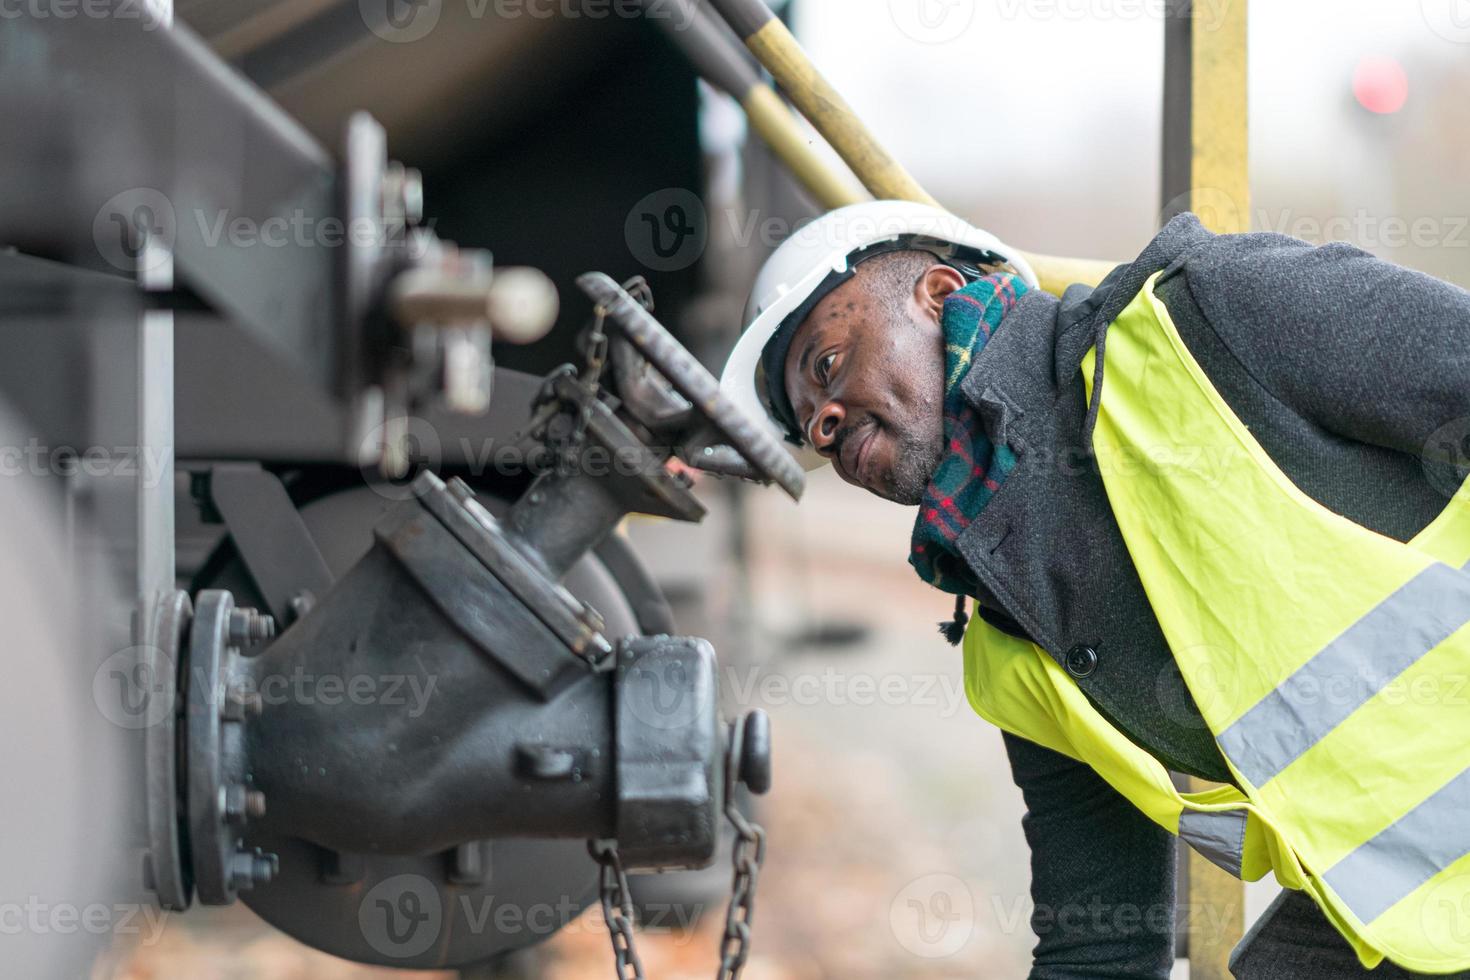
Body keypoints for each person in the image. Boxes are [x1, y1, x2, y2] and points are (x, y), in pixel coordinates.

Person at [719, 200, 1470, 979]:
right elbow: (1100, 948)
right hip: (1428, 905)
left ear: (938, 294)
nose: (828, 426)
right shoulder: (1014, 642)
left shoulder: (1209, 318)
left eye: (827, 365)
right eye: (818, 430)